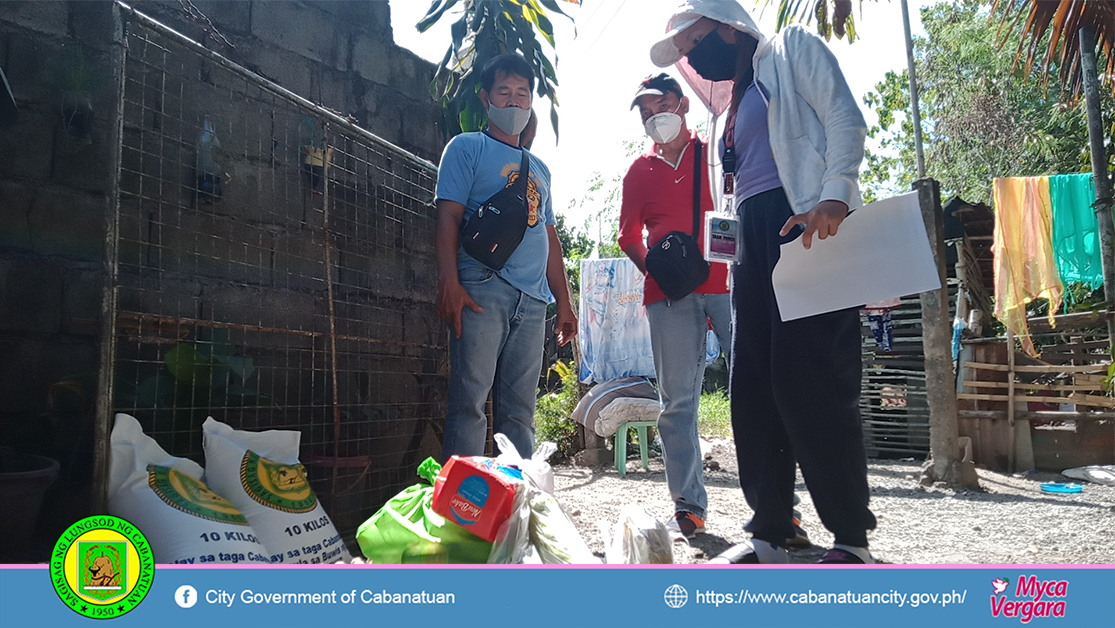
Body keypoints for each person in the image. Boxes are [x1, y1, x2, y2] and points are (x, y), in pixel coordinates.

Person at [650, 0, 878, 564]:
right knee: (752, 384)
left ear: (727, 29)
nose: (691, 58)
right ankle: (773, 529)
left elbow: (845, 118)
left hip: (804, 226)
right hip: (751, 242)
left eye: (693, 42)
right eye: (683, 53)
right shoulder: (731, 102)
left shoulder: (791, 47)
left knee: (813, 380)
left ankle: (850, 537)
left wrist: (834, 196)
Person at [434, 53, 578, 461]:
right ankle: (458, 513)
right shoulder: (466, 148)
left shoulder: (541, 170)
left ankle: (514, 506)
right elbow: (448, 216)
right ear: (485, 98)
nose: (514, 102)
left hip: (532, 303)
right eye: (505, 93)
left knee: (520, 414)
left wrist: (564, 302)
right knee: (469, 405)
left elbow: (550, 237)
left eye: (522, 94)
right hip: (481, 288)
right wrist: (450, 283)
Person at [618, 73, 732, 540]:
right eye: (644, 112)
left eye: (659, 105)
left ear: (682, 104)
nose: (652, 116)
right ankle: (689, 507)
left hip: (726, 282)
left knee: (757, 386)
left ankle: (776, 504)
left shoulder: (716, 153)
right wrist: (656, 272)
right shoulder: (638, 171)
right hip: (668, 295)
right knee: (677, 402)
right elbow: (627, 234)